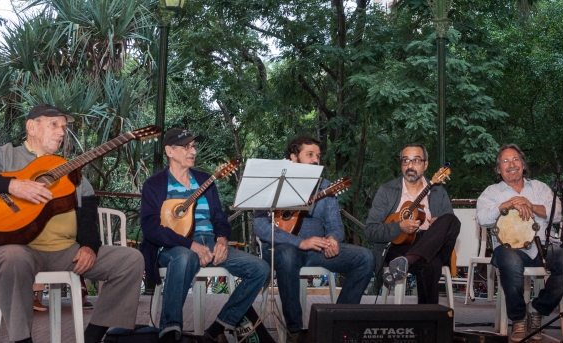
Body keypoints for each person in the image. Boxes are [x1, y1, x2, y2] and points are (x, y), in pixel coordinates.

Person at [0, 104, 144, 343]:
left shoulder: (73, 173)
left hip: (66, 252)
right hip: (19, 249)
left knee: (131, 260)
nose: (62, 132)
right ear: (31, 127)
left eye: (63, 127)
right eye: (54, 125)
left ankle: (93, 336)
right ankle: (22, 340)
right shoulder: (3, 155)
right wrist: (12, 185)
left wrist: (89, 246)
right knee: (12, 258)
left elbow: (87, 219)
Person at [139, 129, 270, 343]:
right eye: (186, 146)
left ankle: (219, 326)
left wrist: (222, 240)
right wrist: (190, 245)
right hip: (173, 247)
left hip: (210, 243)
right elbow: (151, 227)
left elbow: (220, 218)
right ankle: (170, 331)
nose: (193, 151)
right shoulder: (154, 184)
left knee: (260, 268)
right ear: (169, 151)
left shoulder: (205, 180)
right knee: (185, 257)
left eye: (194, 146)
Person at [253, 135, 374, 341]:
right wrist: (300, 242)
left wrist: (333, 239)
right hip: (281, 249)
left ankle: (338, 323)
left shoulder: (325, 187)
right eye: (309, 155)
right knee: (288, 256)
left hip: (317, 250)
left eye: (318, 155)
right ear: (293, 157)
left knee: (365, 257)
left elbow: (336, 226)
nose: (316, 160)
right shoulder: (273, 183)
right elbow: (261, 227)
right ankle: (295, 331)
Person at [476, 143, 563, 342]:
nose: (511, 164)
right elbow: (482, 217)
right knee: (510, 262)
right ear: (499, 170)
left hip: (543, 245)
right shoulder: (492, 192)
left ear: (523, 164)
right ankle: (518, 319)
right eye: (505, 161)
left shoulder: (539, 188)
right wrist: (505, 205)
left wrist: (530, 205)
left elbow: (558, 214)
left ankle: (537, 309)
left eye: (515, 159)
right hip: (509, 249)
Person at [365, 143, 460, 304]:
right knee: (430, 265)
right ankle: (427, 324)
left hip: (434, 245)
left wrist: (436, 225)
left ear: (425, 164)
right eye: (405, 160)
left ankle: (407, 261)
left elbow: (449, 227)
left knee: (452, 220)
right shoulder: (387, 191)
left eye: (416, 160)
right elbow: (371, 230)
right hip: (399, 247)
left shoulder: (437, 191)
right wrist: (399, 227)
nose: (410, 165)